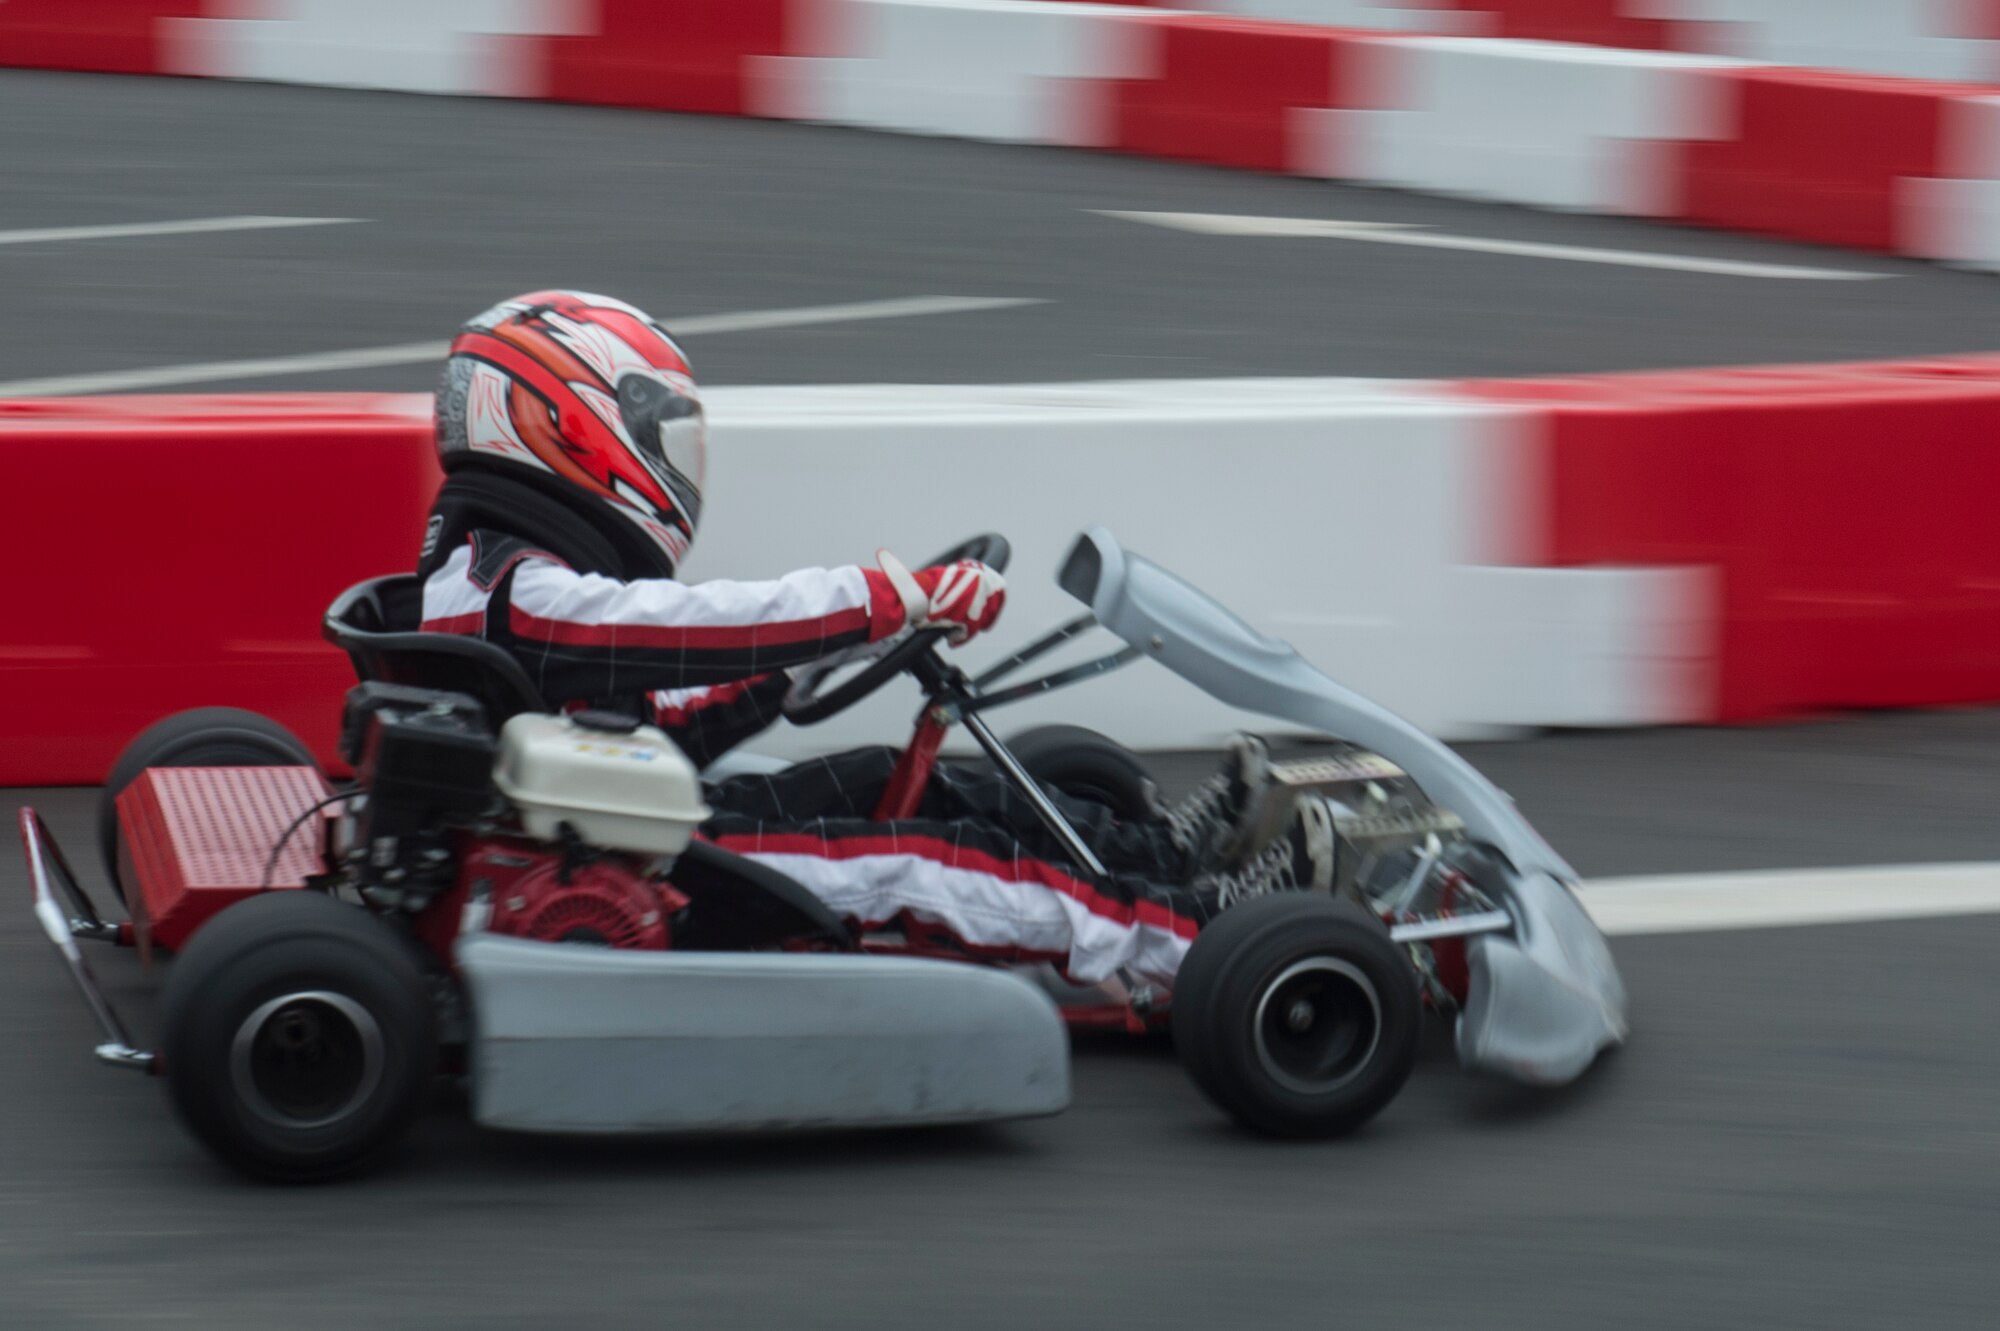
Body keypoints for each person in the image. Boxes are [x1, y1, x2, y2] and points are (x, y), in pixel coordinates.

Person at [417, 291, 1335, 989]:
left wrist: (824, 651)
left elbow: (664, 710)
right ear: (563, 425)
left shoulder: (492, 576)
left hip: (623, 826)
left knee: (887, 778)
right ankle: (1208, 936)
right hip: (636, 866)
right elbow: (696, 627)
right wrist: (886, 600)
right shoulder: (510, 590)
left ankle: (1164, 856)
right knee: (922, 858)